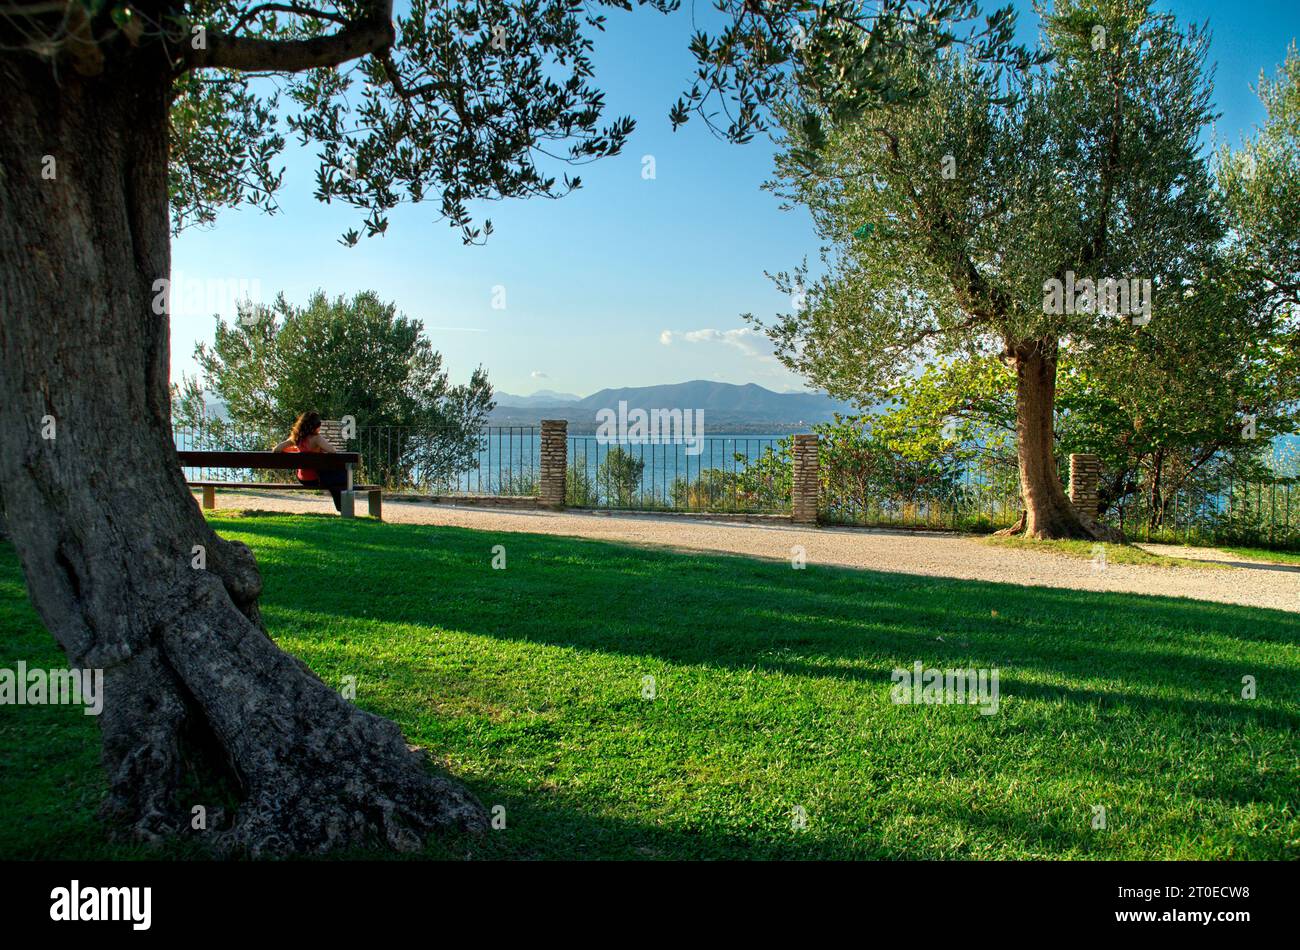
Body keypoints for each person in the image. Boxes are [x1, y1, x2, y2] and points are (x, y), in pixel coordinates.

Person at [273, 411, 347, 512]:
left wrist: (296, 449)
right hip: (316, 479)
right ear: (316, 426)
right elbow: (332, 451)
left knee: (335, 478)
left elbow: (276, 449)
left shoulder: (296, 439)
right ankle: (342, 508)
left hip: (302, 479)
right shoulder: (317, 439)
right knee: (339, 477)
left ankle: (341, 506)